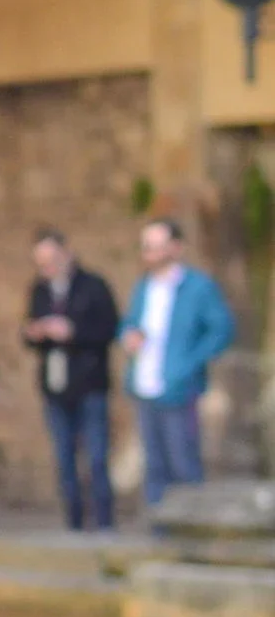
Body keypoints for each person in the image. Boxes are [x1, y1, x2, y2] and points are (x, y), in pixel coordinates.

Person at [120, 216, 235, 508]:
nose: (152, 253)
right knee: (154, 465)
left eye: (158, 246)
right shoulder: (144, 287)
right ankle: (161, 532)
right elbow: (130, 322)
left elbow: (221, 329)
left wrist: (189, 363)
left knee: (183, 462)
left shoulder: (198, 287)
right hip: (145, 385)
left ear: (176, 247)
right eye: (147, 247)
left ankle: (191, 530)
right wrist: (128, 336)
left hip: (180, 388)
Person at [20, 229, 120, 531]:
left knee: (97, 458)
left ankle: (104, 523)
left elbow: (109, 330)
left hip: (89, 384)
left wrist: (73, 331)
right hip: (55, 386)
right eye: (41, 263)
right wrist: (35, 333)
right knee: (64, 459)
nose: (47, 268)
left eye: (51, 260)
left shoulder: (93, 286)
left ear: (67, 254)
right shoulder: (40, 290)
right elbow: (29, 331)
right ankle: (74, 524)